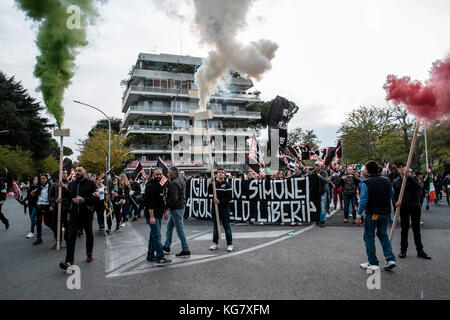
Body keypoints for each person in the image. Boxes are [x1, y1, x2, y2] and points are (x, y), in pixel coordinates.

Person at [355, 161, 396, 270]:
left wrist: (358, 215)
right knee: (383, 234)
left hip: (373, 213)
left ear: (366, 170)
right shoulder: (387, 180)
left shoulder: (366, 182)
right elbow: (392, 193)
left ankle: (373, 262)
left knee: (369, 236)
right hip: (386, 212)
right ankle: (390, 258)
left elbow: (363, 199)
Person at [60, 166, 97, 270]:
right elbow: (68, 198)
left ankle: (89, 253)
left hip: (86, 214)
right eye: (76, 171)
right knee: (71, 237)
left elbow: (96, 198)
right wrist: (61, 199)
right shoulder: (71, 184)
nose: (77, 172)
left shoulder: (91, 184)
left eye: (79, 170)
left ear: (85, 172)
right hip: (74, 215)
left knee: (89, 233)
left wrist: (84, 200)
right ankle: (69, 261)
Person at [393, 163, 431, 259]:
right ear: (397, 170)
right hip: (404, 207)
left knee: (416, 229)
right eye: (400, 168)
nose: (402, 169)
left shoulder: (413, 178)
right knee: (404, 229)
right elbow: (394, 195)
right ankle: (403, 250)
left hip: (414, 206)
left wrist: (409, 177)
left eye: (403, 167)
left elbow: (419, 187)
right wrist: (395, 202)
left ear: (407, 168)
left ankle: (420, 250)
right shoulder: (396, 181)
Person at [144, 169, 171, 264]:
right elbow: (149, 203)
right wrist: (151, 217)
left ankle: (150, 255)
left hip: (158, 214)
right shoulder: (150, 186)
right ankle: (160, 257)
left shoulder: (160, 185)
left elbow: (161, 200)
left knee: (153, 236)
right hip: (152, 215)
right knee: (157, 236)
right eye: (157, 174)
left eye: (160, 174)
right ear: (153, 175)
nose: (159, 176)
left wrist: (164, 212)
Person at [163, 166, 190, 257]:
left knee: (179, 229)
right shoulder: (181, 180)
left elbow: (174, 199)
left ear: (173, 173)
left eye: (168, 172)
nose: (167, 174)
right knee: (169, 227)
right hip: (179, 207)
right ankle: (167, 246)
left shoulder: (174, 183)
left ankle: (185, 249)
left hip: (176, 208)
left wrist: (166, 208)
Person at [208, 168, 233, 252]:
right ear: (216, 174)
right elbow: (209, 192)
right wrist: (211, 183)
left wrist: (220, 201)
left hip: (224, 209)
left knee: (227, 227)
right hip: (215, 208)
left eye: (222, 172)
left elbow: (230, 197)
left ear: (224, 174)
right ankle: (215, 243)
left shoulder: (227, 184)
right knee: (215, 226)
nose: (221, 174)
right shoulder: (214, 183)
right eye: (219, 172)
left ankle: (229, 244)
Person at [49, 169, 71, 249]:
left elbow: (71, 194)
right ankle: (58, 241)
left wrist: (64, 187)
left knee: (67, 225)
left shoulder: (69, 184)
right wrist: (54, 201)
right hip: (57, 208)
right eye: (63, 173)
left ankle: (67, 241)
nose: (65, 175)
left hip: (67, 208)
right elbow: (51, 196)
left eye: (66, 173)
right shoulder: (54, 185)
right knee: (56, 225)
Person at [33, 174, 54, 245]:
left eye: (44, 178)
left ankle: (56, 232)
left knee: (47, 222)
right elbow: (35, 195)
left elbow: (53, 196)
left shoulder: (50, 186)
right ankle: (39, 238)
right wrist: (33, 194)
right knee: (38, 223)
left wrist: (52, 205)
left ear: (47, 179)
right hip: (39, 205)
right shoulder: (38, 187)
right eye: (41, 178)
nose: (42, 180)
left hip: (47, 205)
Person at [309, 161, 329, 227]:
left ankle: (322, 220)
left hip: (322, 191)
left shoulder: (324, 172)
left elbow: (327, 180)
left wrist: (320, 176)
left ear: (320, 166)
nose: (316, 167)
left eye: (318, 166)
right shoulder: (312, 172)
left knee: (322, 206)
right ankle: (316, 219)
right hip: (315, 192)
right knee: (316, 206)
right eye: (316, 166)